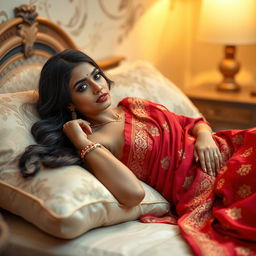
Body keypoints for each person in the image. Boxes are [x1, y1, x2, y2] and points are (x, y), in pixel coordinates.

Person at [19, 49, 256, 256]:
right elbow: (132, 194)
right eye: (82, 87)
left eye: (97, 76)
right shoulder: (96, 142)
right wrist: (80, 140)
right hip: (211, 185)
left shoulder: (132, 104)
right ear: (68, 102)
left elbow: (192, 122)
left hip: (228, 147)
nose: (97, 87)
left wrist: (205, 137)